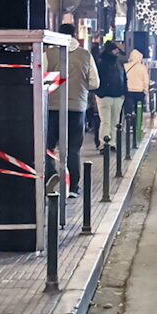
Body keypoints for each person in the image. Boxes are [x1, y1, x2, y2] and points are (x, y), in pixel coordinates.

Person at [46, 24, 100, 198]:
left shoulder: (49, 53)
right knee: (73, 149)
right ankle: (73, 186)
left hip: (52, 107)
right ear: (75, 34)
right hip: (77, 108)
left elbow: (40, 78)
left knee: (48, 147)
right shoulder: (85, 55)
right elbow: (95, 83)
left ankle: (50, 178)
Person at [93, 42, 127, 151]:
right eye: (115, 49)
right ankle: (104, 143)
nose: (117, 51)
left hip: (116, 96)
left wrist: (123, 92)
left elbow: (124, 78)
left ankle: (111, 143)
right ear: (110, 51)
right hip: (106, 96)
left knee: (114, 121)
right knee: (106, 121)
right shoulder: (104, 63)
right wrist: (100, 92)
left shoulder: (117, 62)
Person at [124, 47, 150, 127]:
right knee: (138, 109)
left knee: (128, 109)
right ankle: (138, 125)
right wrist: (146, 90)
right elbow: (146, 80)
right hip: (139, 91)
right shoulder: (143, 67)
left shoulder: (125, 66)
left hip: (128, 90)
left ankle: (129, 125)